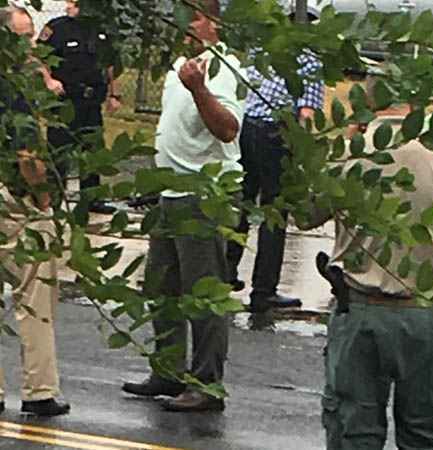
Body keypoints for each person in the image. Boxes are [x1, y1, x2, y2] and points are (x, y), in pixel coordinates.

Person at [301, 136, 433, 448]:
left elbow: (304, 214)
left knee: (354, 433)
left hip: (361, 310)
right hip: (429, 313)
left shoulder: (350, 152)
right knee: (430, 435)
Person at [121, 0, 244, 412]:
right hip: (171, 192)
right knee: (162, 287)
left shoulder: (224, 67)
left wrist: (200, 89)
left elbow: (228, 129)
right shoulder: (181, 64)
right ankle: (168, 370)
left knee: (204, 292)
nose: (183, 26)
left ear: (213, 22)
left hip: (206, 194)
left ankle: (207, 384)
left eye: (192, 17)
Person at [0, 5, 70, 417]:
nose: (31, 45)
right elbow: (28, 152)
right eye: (23, 37)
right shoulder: (17, 84)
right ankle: (39, 388)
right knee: (35, 291)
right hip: (15, 198)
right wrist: (42, 197)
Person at [224, 49, 324, 311]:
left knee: (243, 203)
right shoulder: (309, 59)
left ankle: (225, 272)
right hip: (276, 135)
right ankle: (264, 289)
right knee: (274, 211)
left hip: (248, 128)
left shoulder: (262, 49)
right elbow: (305, 113)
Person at [38, 0, 119, 214]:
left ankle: (92, 199)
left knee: (93, 150)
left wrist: (114, 94)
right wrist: (48, 81)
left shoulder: (100, 29)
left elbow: (109, 64)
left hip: (92, 102)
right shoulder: (57, 28)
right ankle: (55, 199)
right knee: (59, 150)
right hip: (65, 101)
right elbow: (39, 57)